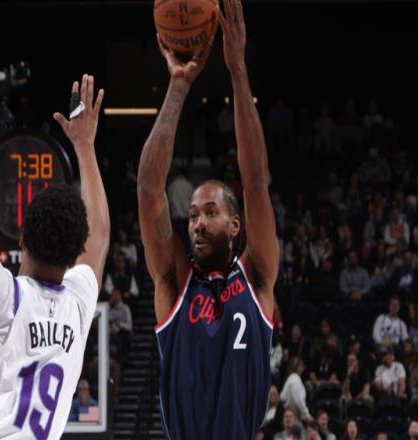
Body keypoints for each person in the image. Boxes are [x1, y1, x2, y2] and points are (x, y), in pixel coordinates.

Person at [137, 0, 279, 438]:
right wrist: (179, 85)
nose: (197, 222)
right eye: (194, 214)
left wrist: (237, 70)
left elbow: (255, 181)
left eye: (211, 212)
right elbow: (148, 190)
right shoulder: (175, 282)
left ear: (236, 226)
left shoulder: (257, 277)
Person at [0, 75, 110, 438]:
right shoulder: (78, 305)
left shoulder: (4, 296)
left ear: (22, 239)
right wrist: (85, 146)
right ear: (75, 253)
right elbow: (100, 236)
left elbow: (96, 237)